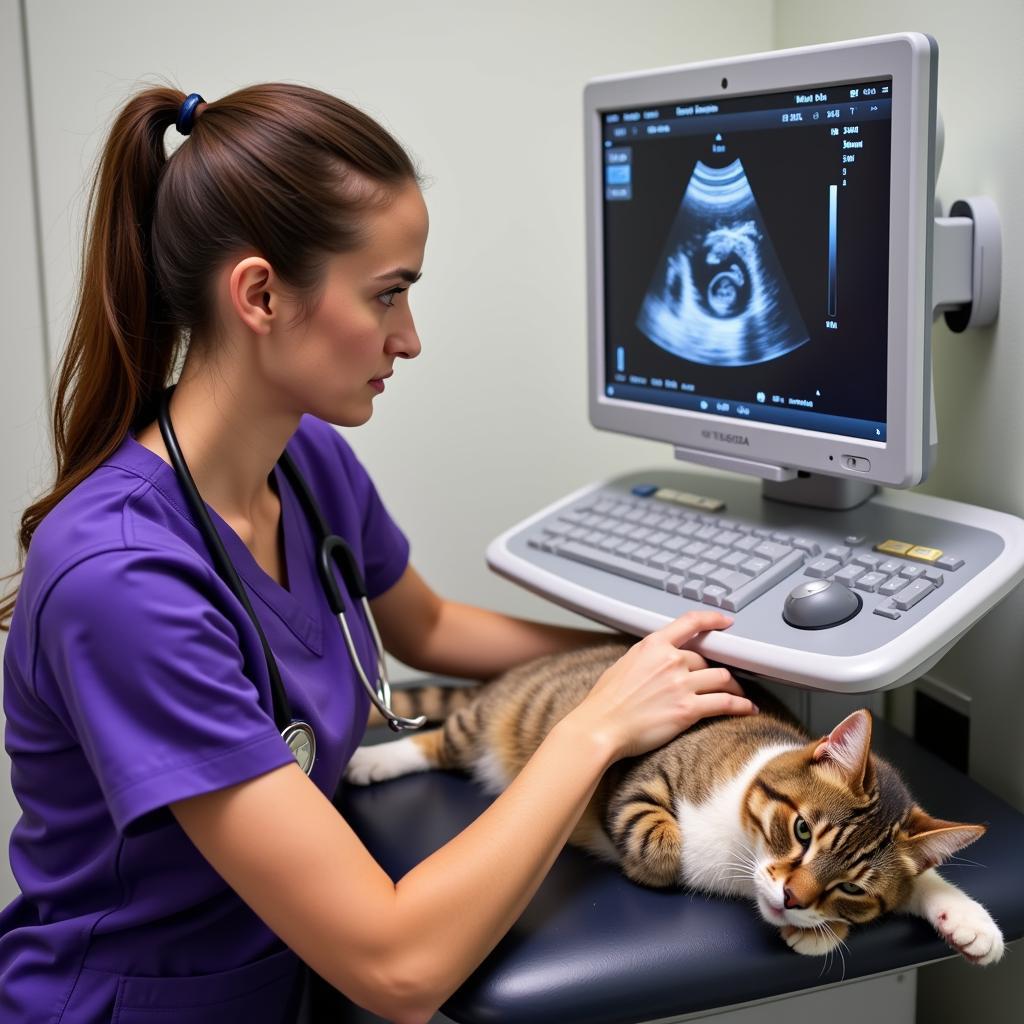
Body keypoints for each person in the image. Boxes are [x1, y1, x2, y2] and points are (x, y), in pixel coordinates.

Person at [0, 83, 758, 1024]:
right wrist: (596, 724)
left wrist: (646, 659)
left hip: (284, 977)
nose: (410, 338)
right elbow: (400, 971)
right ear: (261, 293)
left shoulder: (304, 460)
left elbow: (431, 626)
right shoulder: (122, 581)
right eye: (387, 294)